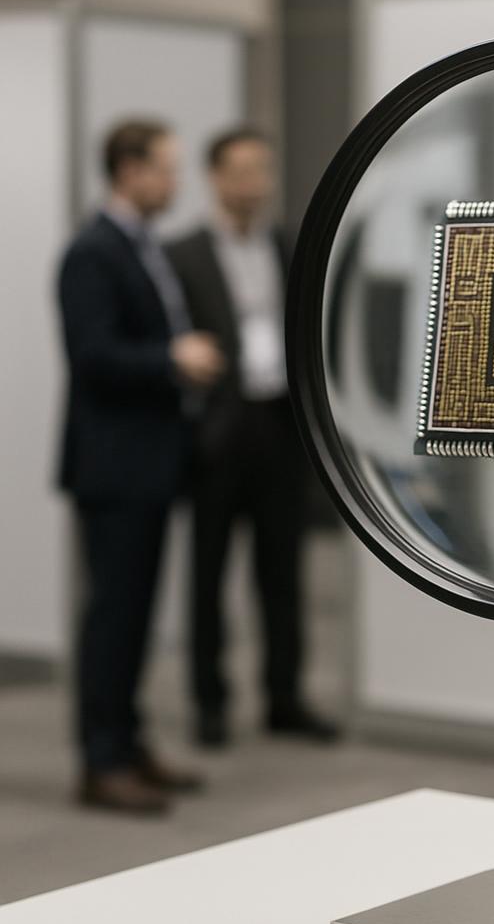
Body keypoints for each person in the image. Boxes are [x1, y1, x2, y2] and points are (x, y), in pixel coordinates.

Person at [58, 120, 224, 813]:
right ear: (128, 169)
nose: (175, 182)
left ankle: (128, 742)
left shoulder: (138, 246)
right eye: (165, 167)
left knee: (136, 615)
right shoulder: (93, 253)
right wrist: (173, 359)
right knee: (114, 616)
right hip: (115, 467)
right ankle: (101, 761)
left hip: (151, 463)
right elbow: (92, 356)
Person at [168, 128, 338, 747]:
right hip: (219, 430)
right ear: (214, 177)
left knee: (282, 571)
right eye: (240, 171)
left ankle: (284, 697)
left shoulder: (286, 244)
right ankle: (210, 703)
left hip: (279, 425)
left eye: (262, 171)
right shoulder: (182, 253)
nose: (253, 184)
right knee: (209, 574)